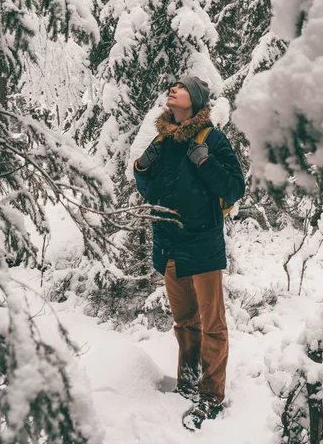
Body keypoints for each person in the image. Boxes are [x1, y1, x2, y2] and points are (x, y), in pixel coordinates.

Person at [133, 76, 245, 430]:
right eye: (170, 86)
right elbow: (149, 192)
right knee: (184, 323)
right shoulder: (164, 140)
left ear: (194, 100)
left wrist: (205, 162)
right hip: (169, 246)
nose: (171, 89)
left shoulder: (212, 138)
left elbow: (234, 187)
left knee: (212, 325)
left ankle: (210, 396)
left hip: (202, 244)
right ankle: (187, 382)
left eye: (179, 87)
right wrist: (141, 169)